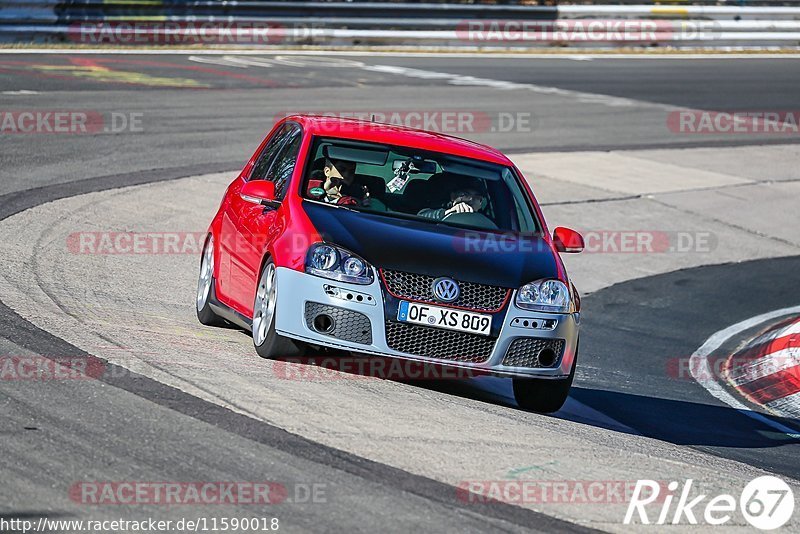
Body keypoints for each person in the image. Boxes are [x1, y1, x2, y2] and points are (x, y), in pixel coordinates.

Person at [417, 183, 486, 221]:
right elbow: (420, 217)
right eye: (464, 195)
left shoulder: (485, 222)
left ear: (480, 203)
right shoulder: (440, 209)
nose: (470, 199)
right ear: (453, 196)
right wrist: (447, 213)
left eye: (477, 197)